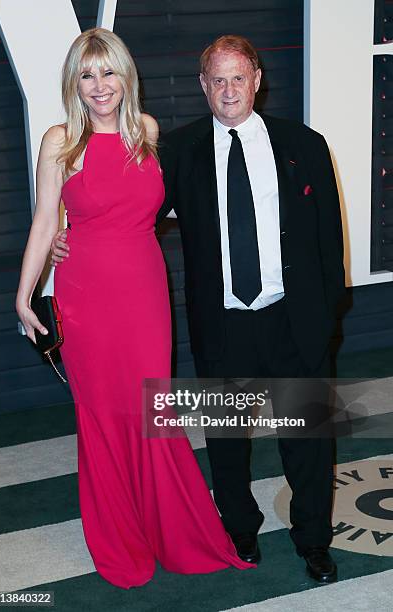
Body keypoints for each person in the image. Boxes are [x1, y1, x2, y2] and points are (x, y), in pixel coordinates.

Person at [52, 34, 346, 584]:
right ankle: (239, 530)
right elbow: (123, 206)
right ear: (202, 87)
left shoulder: (304, 144)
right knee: (228, 442)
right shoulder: (178, 150)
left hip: (293, 317)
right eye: (217, 80)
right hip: (223, 321)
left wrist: (328, 317)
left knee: (307, 438)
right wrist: (64, 235)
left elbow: (330, 241)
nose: (228, 89)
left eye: (239, 78)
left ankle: (313, 541)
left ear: (257, 80)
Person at [16, 28, 255, 589]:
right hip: (85, 300)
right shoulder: (59, 142)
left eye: (108, 72)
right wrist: (23, 296)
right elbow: (44, 223)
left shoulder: (146, 133)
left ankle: (173, 532)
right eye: (87, 74)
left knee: (152, 412)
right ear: (74, 82)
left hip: (146, 295)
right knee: (101, 418)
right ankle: (122, 540)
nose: (99, 86)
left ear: (126, 76)